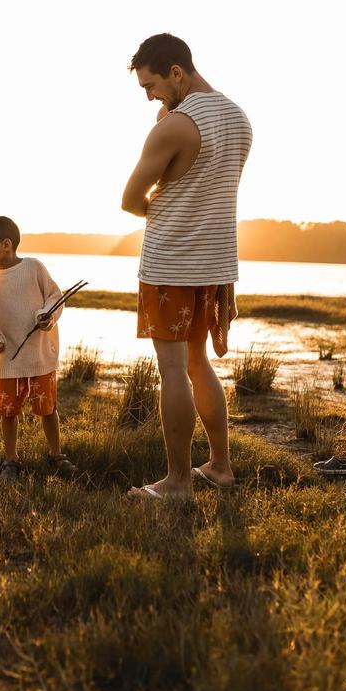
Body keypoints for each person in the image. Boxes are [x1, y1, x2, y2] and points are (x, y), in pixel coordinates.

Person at [122, 33, 253, 499]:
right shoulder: (238, 118)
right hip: (213, 264)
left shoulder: (174, 126)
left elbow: (130, 199)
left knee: (172, 370)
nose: (150, 96)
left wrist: (152, 208)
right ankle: (220, 467)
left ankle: (178, 482)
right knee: (197, 363)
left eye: (151, 85)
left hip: (171, 264)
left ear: (176, 72)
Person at [0, 215, 74, 480]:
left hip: (40, 354)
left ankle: (56, 454)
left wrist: (47, 316)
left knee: (47, 408)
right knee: (8, 411)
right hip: (8, 357)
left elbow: (55, 297)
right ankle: (11, 460)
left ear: (6, 244)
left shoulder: (33, 268)